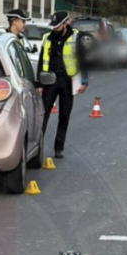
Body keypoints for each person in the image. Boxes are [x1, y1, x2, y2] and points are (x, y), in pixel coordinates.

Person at [37, 10, 88, 160]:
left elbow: (82, 60)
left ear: (66, 23)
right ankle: (37, 147)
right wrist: (39, 83)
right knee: (43, 115)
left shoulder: (75, 37)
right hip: (49, 82)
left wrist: (84, 81)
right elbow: (41, 61)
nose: (54, 28)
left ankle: (59, 148)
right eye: (53, 25)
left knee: (64, 116)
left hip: (67, 81)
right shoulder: (47, 38)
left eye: (57, 25)